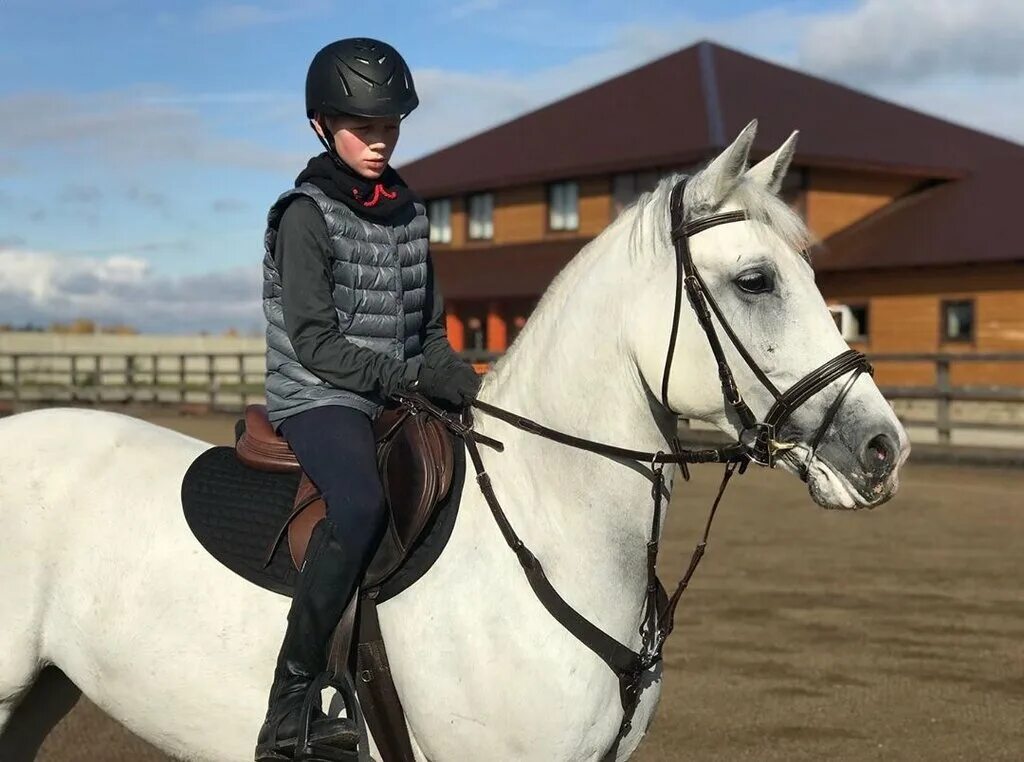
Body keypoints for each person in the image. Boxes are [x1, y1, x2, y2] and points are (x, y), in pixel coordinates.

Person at [254, 37, 481, 762]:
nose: (379, 141)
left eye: (389, 127)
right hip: (320, 394)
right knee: (358, 505)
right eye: (363, 127)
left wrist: (474, 387)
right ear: (321, 125)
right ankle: (291, 699)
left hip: (394, 391)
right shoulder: (303, 215)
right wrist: (406, 380)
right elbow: (315, 342)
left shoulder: (411, 214)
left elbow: (429, 335)